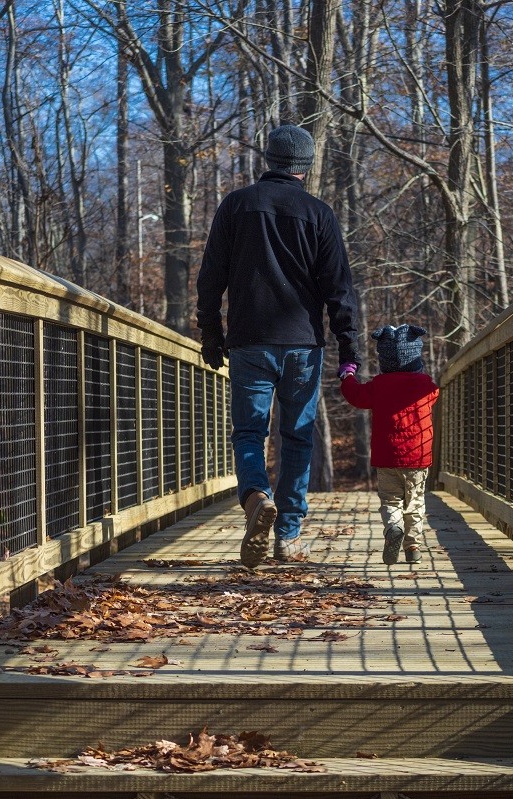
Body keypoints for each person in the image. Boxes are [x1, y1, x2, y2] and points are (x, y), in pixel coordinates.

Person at [196, 124, 360, 567]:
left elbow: (211, 277)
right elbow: (339, 288)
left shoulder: (237, 205)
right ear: (305, 167)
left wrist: (211, 332)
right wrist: (348, 348)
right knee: (297, 438)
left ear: (268, 160)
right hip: (304, 344)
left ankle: (255, 496)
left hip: (249, 341)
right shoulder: (319, 213)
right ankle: (287, 535)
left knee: (249, 432)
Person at [339, 324, 439, 565]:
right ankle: (413, 546)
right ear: (415, 355)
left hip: (387, 457)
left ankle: (393, 527)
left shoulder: (378, 386)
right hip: (417, 457)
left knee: (391, 500)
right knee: (415, 501)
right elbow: (435, 394)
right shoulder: (426, 385)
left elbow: (356, 396)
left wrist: (347, 375)